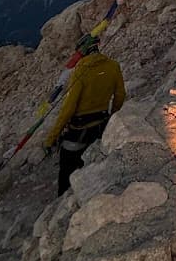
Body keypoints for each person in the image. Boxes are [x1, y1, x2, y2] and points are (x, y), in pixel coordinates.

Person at [44, 37, 126, 195]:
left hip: (78, 129)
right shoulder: (113, 66)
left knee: (67, 167)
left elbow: (68, 108)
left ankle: (64, 196)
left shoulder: (80, 71)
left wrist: (51, 138)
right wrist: (112, 117)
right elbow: (120, 95)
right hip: (101, 123)